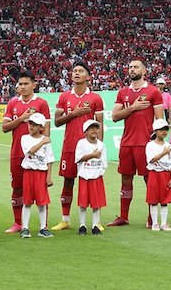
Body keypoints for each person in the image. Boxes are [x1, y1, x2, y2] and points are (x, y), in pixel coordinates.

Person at [108, 58, 163, 228]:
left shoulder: (153, 92)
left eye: (136, 67)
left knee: (149, 180)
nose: (132, 69)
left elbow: (160, 121)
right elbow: (115, 116)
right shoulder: (123, 92)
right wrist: (132, 107)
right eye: (130, 67)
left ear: (144, 71)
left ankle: (151, 217)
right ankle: (123, 217)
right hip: (127, 143)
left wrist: (156, 143)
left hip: (145, 144)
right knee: (125, 179)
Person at [51, 61, 104, 231]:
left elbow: (100, 124)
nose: (77, 73)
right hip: (70, 146)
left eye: (81, 71)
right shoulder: (65, 97)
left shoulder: (95, 98)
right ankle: (65, 219)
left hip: (90, 148)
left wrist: (100, 149)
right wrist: (73, 114)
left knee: (94, 180)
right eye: (74, 71)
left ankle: (96, 221)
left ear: (88, 76)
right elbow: (57, 122)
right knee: (68, 181)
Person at [1, 71, 51, 234]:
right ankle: (18, 223)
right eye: (20, 84)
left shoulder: (41, 103)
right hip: (17, 152)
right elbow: (4, 128)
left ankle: (43, 226)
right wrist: (21, 118)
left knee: (41, 189)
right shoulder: (12, 103)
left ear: (34, 84)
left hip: (38, 154)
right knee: (16, 188)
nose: (22, 87)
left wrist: (45, 150)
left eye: (26, 84)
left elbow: (46, 131)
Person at [19, 112, 55, 239]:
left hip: (41, 173)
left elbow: (49, 159)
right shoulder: (25, 138)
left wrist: (49, 176)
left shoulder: (46, 141)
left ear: (41, 127)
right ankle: (25, 227)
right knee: (27, 202)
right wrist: (43, 141)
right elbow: (30, 152)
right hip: (29, 172)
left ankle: (42, 228)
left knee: (42, 202)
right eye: (30, 124)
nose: (31, 126)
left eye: (35, 124)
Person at [75, 119, 107, 235]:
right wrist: (92, 155)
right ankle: (82, 225)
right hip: (84, 176)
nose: (94, 130)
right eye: (91, 128)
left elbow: (103, 162)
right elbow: (78, 158)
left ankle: (95, 225)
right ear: (85, 131)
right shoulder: (81, 143)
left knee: (96, 203)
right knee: (83, 203)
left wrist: (100, 172)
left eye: (96, 128)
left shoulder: (101, 145)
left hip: (96, 177)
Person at [145, 119, 171, 232]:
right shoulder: (150, 145)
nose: (164, 132)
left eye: (166, 130)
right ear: (155, 131)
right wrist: (163, 153)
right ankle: (155, 223)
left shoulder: (169, 146)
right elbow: (151, 160)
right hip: (154, 174)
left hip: (166, 174)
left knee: (164, 200)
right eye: (161, 130)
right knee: (153, 200)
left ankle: (164, 223)